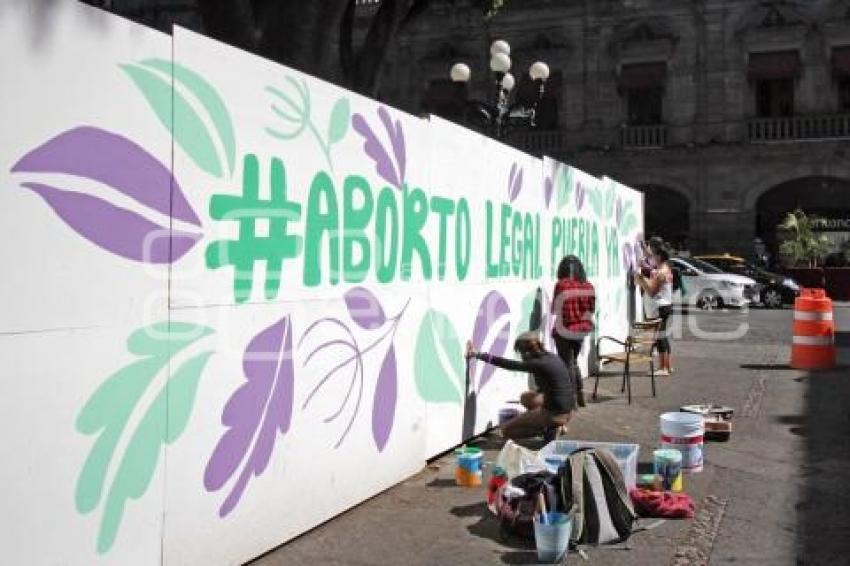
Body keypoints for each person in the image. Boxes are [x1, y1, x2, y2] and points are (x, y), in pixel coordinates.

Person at [465, 332, 575, 441]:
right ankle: (554, 426)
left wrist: (477, 354)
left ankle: (548, 430)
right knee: (526, 398)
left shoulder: (537, 364)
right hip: (567, 410)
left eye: (520, 353)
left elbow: (507, 364)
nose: (521, 356)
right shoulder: (551, 357)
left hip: (554, 414)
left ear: (526, 352)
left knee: (505, 430)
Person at [550, 255, 595, 407]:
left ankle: (572, 399)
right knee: (573, 362)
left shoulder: (562, 285)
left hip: (565, 330)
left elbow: (555, 310)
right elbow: (591, 309)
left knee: (566, 364)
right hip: (582, 330)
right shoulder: (588, 286)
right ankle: (580, 394)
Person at [634, 241, 674, 376]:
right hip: (665, 306)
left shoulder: (661, 272)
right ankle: (667, 366)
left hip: (660, 307)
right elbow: (650, 260)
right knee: (663, 337)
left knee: (660, 338)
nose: (652, 257)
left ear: (659, 256)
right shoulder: (665, 267)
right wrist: (646, 253)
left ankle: (663, 368)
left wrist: (641, 280)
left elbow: (652, 291)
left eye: (653, 254)